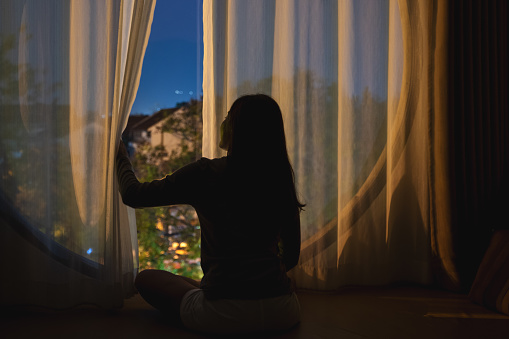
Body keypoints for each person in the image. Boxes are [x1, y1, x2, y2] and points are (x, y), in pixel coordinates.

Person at [116, 94, 304, 335]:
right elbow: (291, 257)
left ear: (237, 129)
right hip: (284, 311)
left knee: (145, 279)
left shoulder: (206, 173)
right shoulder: (279, 177)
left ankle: (209, 292)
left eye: (229, 117)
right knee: (188, 283)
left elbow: (134, 195)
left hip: (221, 316)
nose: (223, 122)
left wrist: (121, 155)